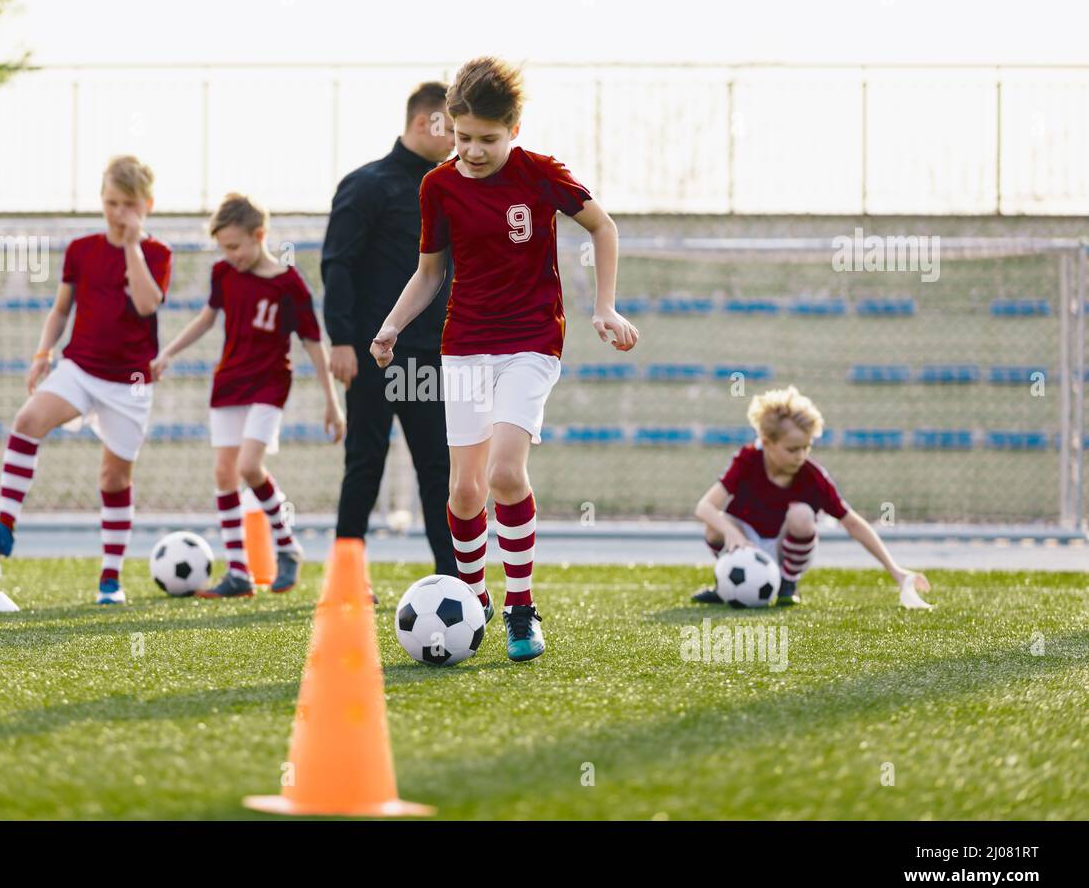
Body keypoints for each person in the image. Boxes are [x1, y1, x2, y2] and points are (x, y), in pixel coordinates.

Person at [369, 57, 640, 661]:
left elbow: (604, 228)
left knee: (505, 474)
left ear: (514, 128)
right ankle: (471, 598)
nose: (472, 150)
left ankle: (521, 608)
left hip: (532, 342)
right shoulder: (437, 186)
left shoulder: (539, 175)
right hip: (464, 344)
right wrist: (390, 326)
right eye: (462, 137)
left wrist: (605, 307)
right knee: (464, 492)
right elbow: (430, 271)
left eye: (487, 139)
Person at [0, 155, 171, 605]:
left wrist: (133, 246)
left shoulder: (156, 253)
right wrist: (43, 353)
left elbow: (145, 305)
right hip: (79, 367)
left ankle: (110, 580)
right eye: (111, 202)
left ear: (147, 205)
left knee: (114, 479)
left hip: (130, 382)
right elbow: (61, 309)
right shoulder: (80, 249)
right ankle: (4, 527)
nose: (118, 213)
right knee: (27, 421)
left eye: (128, 204)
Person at [151, 193, 344, 597]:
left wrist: (332, 402)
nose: (230, 254)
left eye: (235, 246)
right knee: (224, 473)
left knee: (249, 465)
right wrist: (168, 352)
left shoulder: (290, 285)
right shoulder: (223, 273)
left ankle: (287, 546)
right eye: (224, 248)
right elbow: (207, 317)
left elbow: (312, 343)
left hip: (269, 385)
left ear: (260, 235)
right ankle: (239, 572)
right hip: (229, 382)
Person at [321, 82, 459, 579]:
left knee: (439, 469)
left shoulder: (450, 188)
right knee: (364, 465)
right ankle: (346, 581)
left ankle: (456, 578)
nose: (459, 139)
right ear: (425, 122)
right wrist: (340, 340)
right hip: (374, 356)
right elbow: (337, 265)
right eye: (451, 126)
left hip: (429, 359)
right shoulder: (367, 184)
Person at [691, 385, 934, 609]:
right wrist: (732, 533)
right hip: (746, 544)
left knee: (802, 515)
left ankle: (788, 583)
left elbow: (851, 522)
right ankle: (727, 584)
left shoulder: (812, 476)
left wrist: (896, 571)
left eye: (806, 447)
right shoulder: (747, 460)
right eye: (792, 449)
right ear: (766, 442)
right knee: (714, 525)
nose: (801, 456)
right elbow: (704, 507)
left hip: (784, 549)